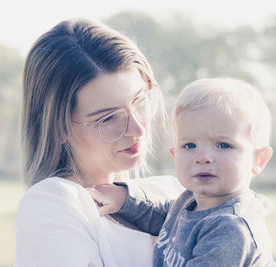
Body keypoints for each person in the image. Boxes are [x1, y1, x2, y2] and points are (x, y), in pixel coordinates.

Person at [14, 18, 183, 267]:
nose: (137, 129)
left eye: (139, 101)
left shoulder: (173, 193)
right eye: (108, 118)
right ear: (57, 128)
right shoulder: (52, 203)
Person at [89, 77, 276, 266]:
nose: (202, 157)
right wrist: (124, 200)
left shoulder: (231, 229)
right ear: (175, 154)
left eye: (223, 145)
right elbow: (162, 215)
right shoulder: (190, 201)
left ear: (258, 159)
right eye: (189, 145)